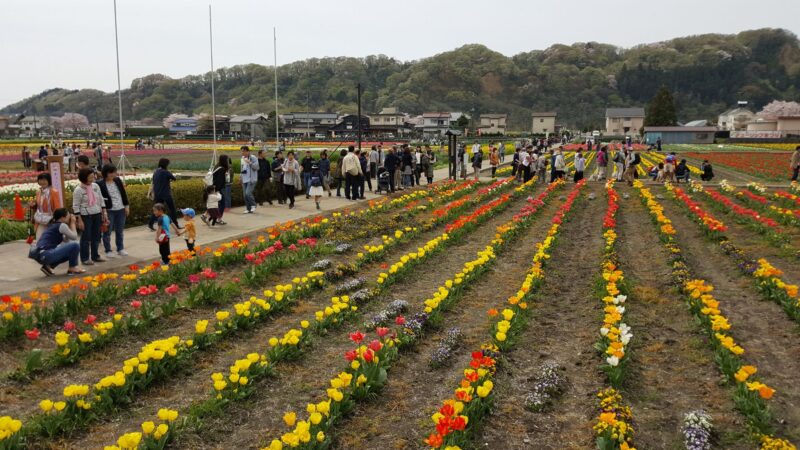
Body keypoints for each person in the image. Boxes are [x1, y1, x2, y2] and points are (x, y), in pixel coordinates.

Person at [31, 208, 83, 276]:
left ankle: (47, 267)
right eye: (68, 216)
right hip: (46, 254)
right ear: (62, 218)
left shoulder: (53, 225)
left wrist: (70, 226)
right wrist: (73, 223)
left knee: (70, 252)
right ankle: (72, 268)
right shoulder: (62, 225)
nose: (70, 217)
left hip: (40, 255)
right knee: (75, 245)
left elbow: (66, 240)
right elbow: (74, 237)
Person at [72, 168, 107, 265]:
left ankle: (95, 256)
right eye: (90, 177)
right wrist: (79, 220)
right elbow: (75, 206)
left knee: (96, 236)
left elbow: (100, 199)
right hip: (86, 216)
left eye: (93, 176)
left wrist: (104, 212)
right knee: (86, 237)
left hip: (97, 213)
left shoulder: (95, 186)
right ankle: (85, 258)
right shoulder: (78, 190)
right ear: (84, 177)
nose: (93, 178)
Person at [96, 164, 130, 258]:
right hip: (109, 210)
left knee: (120, 230)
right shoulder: (100, 183)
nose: (113, 174)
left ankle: (120, 248)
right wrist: (103, 211)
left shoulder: (117, 180)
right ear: (105, 173)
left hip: (120, 209)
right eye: (110, 172)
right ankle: (108, 250)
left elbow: (123, 194)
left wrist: (126, 206)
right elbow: (99, 198)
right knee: (107, 231)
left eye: (114, 172)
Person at [148, 158, 179, 230]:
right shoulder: (165, 172)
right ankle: (176, 224)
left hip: (157, 194)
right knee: (172, 209)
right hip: (166, 194)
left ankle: (150, 223)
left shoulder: (156, 172)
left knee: (157, 209)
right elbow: (174, 178)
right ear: (165, 164)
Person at [30, 173, 62, 241]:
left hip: (50, 220)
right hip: (40, 219)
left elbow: (57, 207)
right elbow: (39, 206)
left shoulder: (54, 192)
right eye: (40, 180)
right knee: (39, 239)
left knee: (50, 240)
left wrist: (56, 219)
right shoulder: (38, 192)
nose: (42, 182)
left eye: (44, 180)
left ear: (49, 181)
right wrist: (33, 205)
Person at [211, 155, 230, 225]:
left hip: (214, 188)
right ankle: (218, 218)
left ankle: (211, 217)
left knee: (216, 204)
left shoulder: (217, 166)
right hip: (218, 189)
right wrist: (217, 190)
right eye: (227, 160)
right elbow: (219, 181)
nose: (228, 161)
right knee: (222, 204)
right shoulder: (221, 169)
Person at [240, 146, 259, 214]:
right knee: (245, 195)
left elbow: (257, 167)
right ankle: (248, 209)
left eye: (244, 151)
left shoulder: (253, 158)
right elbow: (242, 168)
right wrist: (241, 177)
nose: (243, 153)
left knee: (248, 193)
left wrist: (249, 162)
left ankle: (253, 205)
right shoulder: (242, 158)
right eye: (242, 151)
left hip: (251, 179)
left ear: (248, 151)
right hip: (244, 178)